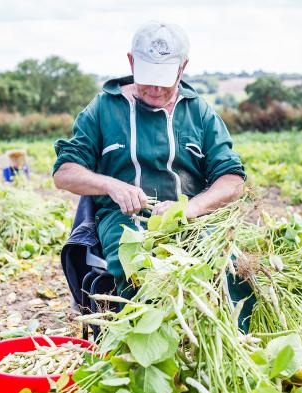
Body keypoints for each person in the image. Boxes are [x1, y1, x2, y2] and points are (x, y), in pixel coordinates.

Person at [53, 21, 254, 330]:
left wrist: (190, 208)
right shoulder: (105, 108)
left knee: (230, 266)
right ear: (132, 62)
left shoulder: (198, 112)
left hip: (193, 217)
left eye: (164, 80)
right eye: (148, 79)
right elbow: (65, 173)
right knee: (139, 264)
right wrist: (111, 184)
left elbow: (232, 179)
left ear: (182, 67)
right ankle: (143, 343)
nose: (155, 89)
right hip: (124, 218)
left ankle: (230, 343)